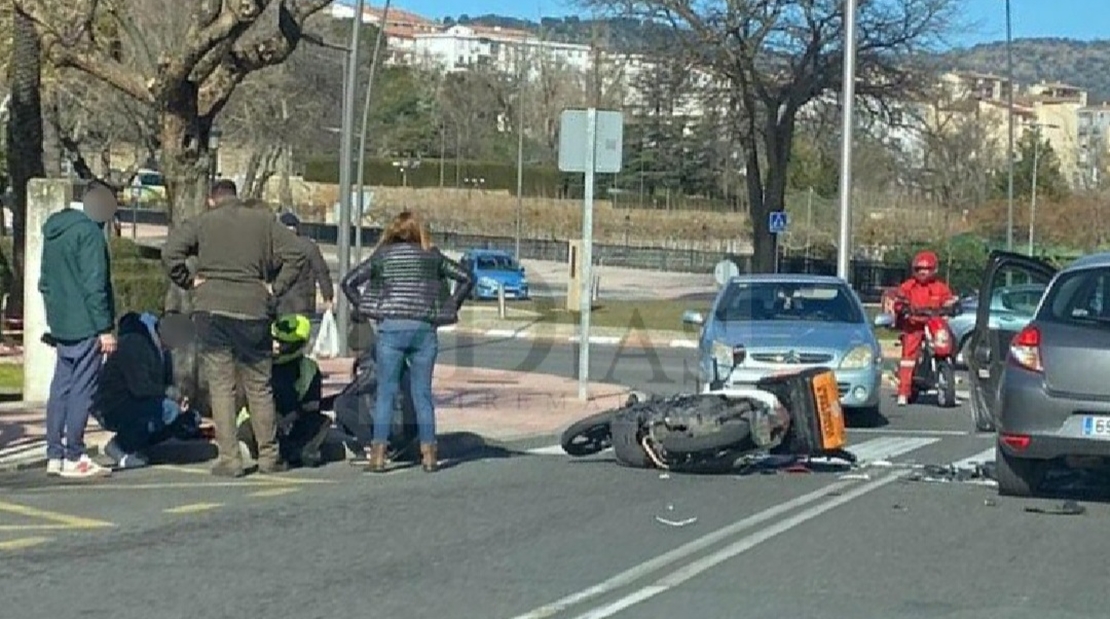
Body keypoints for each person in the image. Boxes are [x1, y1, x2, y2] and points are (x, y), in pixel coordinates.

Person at [161, 179, 306, 477]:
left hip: (211, 308)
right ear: (236, 197)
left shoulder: (203, 222)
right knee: (259, 385)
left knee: (221, 385)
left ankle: (229, 458)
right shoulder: (264, 221)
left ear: (212, 200)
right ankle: (269, 456)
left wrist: (189, 281)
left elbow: (171, 252)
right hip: (253, 308)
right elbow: (298, 253)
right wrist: (275, 288)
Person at [340, 211, 473, 473]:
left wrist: (369, 309)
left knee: (386, 393)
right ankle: (430, 455)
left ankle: (378, 456)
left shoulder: (383, 257)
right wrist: (448, 307)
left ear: (391, 232)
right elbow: (467, 278)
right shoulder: (431, 257)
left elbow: (348, 283)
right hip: (424, 329)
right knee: (422, 393)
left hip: (390, 329)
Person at [39, 180, 118, 479]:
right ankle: (74, 453)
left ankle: (54, 454)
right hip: (86, 324)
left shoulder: (54, 232)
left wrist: (57, 318)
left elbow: (44, 282)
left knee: (60, 388)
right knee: (82, 390)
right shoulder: (90, 234)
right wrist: (104, 328)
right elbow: (94, 285)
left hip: (63, 323)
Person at [94, 312, 202, 469]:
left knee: (189, 419)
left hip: (138, 400)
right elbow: (141, 388)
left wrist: (179, 400)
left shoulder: (163, 350)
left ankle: (138, 445)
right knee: (168, 410)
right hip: (112, 404)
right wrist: (173, 396)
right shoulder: (136, 343)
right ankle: (119, 446)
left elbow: (163, 385)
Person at [236, 314, 331, 468]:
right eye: (276, 341)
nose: (277, 346)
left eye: (282, 343)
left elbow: (311, 408)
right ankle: (294, 451)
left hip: (283, 421)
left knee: (319, 421)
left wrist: (290, 418)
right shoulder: (261, 365)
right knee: (317, 424)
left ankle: (288, 450)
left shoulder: (307, 367)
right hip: (255, 422)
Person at [893, 250, 958, 406]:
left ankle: (946, 376)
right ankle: (903, 392)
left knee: (948, 342)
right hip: (913, 325)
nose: (923, 272)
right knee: (908, 356)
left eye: (927, 269)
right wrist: (903, 308)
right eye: (919, 269)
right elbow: (899, 301)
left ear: (934, 270)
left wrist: (952, 305)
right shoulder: (908, 286)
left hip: (933, 323)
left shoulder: (940, 287)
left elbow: (949, 300)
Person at [274, 212, 335, 317]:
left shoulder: (276, 245)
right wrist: (328, 297)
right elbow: (321, 272)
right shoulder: (309, 246)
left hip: (281, 303)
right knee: (301, 332)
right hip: (304, 304)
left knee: (283, 331)